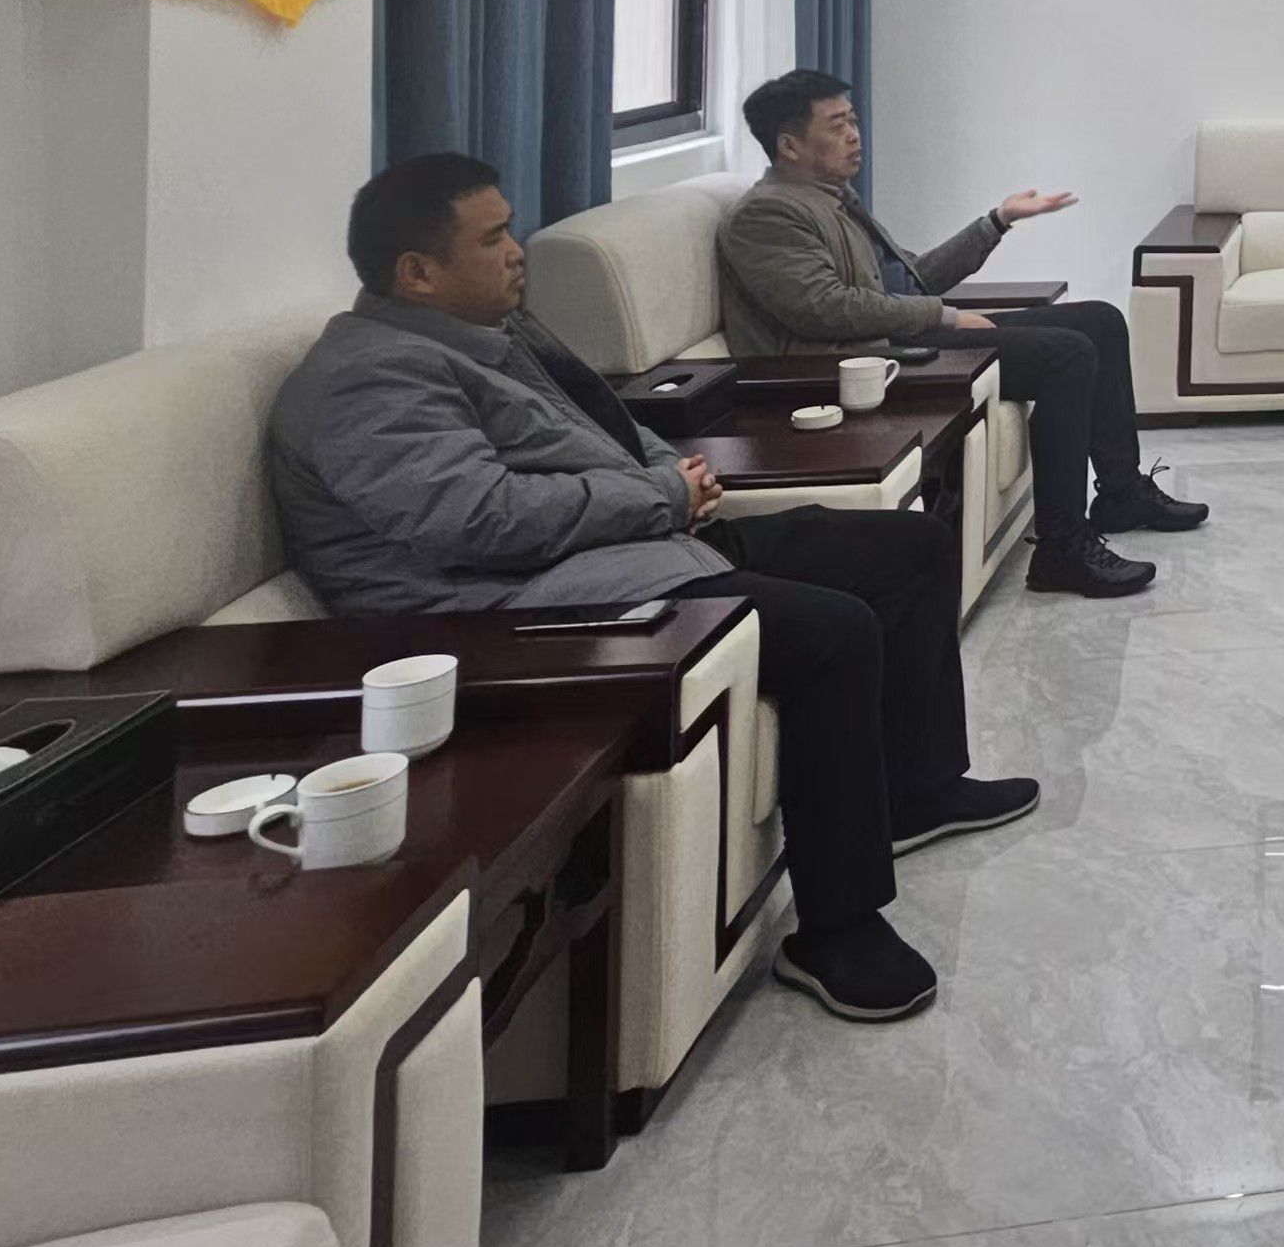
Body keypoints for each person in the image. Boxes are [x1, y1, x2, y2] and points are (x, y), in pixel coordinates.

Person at [267, 154, 1039, 1026]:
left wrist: (675, 477)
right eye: (493, 239)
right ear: (417, 272)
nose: (518, 252)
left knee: (909, 547)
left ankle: (920, 790)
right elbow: (477, 520)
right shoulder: (369, 379)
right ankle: (837, 929)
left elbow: (606, 428)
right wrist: (662, 496)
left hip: (626, 546)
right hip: (521, 610)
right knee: (830, 631)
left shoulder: (487, 334)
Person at [716, 70, 1200, 604]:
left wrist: (997, 221)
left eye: (852, 120)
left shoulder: (833, 199)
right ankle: (1061, 548)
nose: (855, 135)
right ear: (789, 145)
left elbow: (915, 279)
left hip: (895, 342)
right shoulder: (767, 213)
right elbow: (826, 310)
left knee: (1100, 321)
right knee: (1066, 355)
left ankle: (1121, 493)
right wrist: (945, 317)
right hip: (857, 367)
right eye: (837, 126)